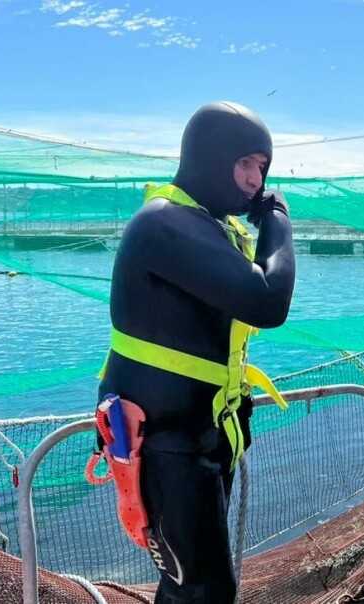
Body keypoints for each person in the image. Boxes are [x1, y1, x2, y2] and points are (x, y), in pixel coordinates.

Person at [98, 101, 295, 603]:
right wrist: (276, 221)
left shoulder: (210, 226)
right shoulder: (164, 223)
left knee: (198, 588)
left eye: (262, 168)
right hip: (165, 447)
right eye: (245, 163)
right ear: (209, 157)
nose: (255, 180)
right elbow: (267, 299)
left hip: (204, 438)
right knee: (199, 592)